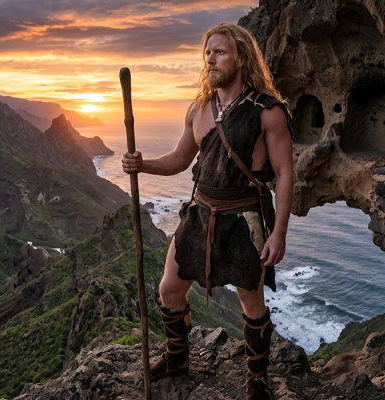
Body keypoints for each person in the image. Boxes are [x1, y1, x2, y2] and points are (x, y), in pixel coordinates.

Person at [122, 23, 294, 400]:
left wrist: (279, 232)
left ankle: (256, 380)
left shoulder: (268, 112)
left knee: (251, 302)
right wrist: (142, 164)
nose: (210, 59)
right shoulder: (200, 108)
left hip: (244, 219)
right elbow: (182, 158)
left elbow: (284, 174)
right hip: (199, 214)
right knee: (169, 289)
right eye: (207, 53)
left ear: (242, 57)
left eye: (220, 52)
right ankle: (177, 358)